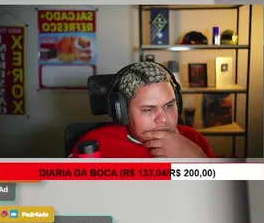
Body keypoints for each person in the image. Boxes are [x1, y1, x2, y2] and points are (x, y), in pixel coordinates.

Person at [69, 61, 216, 159]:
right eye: (149, 110)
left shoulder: (194, 139)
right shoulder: (94, 145)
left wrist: (198, 158)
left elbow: (222, 192)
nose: (163, 118)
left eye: (169, 105)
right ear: (123, 112)